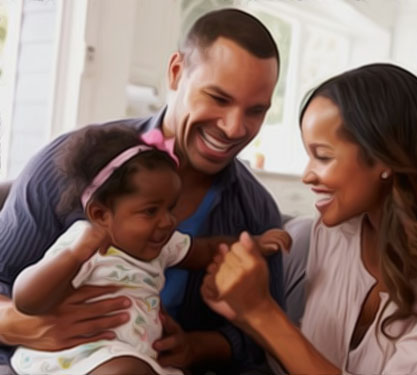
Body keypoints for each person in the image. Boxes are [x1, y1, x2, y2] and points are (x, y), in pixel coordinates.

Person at [0, 8, 283, 374]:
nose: (234, 128)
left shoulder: (255, 213)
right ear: (177, 73)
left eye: (256, 111)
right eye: (218, 98)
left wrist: (197, 347)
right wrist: (13, 321)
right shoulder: (74, 163)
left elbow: (265, 341)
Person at [201, 63, 417, 374]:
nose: (307, 175)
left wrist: (263, 312)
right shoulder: (334, 232)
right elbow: (309, 361)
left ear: (386, 156)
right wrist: (245, 312)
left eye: (323, 156)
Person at [9, 125, 290, 375]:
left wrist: (252, 244)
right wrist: (73, 257)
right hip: (82, 358)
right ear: (101, 214)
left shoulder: (163, 246)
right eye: (150, 211)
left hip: (141, 357)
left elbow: (207, 250)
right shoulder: (84, 243)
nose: (168, 220)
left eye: (170, 208)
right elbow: (26, 299)